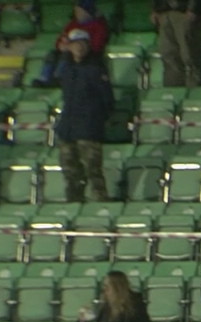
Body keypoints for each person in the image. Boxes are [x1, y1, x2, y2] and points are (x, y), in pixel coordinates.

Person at [56, 28, 113, 203]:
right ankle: (73, 203)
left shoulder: (96, 68)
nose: (79, 48)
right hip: (68, 128)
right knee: (70, 172)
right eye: (75, 44)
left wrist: (97, 120)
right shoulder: (67, 68)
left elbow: (108, 100)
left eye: (82, 44)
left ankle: (101, 204)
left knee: (93, 171)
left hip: (89, 128)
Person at [32, 0, 109, 88]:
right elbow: (60, 39)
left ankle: (60, 78)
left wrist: (76, 47)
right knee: (52, 54)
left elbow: (96, 46)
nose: (77, 14)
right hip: (68, 49)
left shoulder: (98, 26)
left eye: (80, 11)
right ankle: (44, 78)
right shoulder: (73, 24)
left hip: (85, 54)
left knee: (66, 55)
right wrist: (61, 45)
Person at [151, 0, 201, 88]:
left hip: (185, 12)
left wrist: (193, 9)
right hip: (164, 12)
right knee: (168, 53)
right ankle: (172, 90)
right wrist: (155, 9)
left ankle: (193, 90)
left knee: (189, 54)